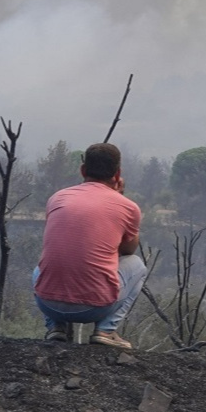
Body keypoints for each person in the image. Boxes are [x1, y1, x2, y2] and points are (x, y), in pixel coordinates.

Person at [32, 143, 147, 350]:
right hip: (95, 308)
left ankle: (56, 327)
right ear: (117, 173)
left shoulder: (57, 198)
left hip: (47, 303)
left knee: (39, 269)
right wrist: (119, 198)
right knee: (137, 265)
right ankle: (105, 330)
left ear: (83, 170)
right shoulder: (128, 207)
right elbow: (128, 251)